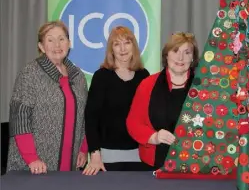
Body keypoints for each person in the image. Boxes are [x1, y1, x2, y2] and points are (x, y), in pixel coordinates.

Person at [7, 20, 88, 174]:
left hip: (69, 165)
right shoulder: (30, 73)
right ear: (41, 46)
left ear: (69, 43)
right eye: (50, 40)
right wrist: (31, 158)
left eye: (61, 39)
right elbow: (20, 119)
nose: (57, 45)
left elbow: (84, 116)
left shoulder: (78, 77)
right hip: (34, 166)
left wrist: (83, 149)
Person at [83, 26, 151, 175]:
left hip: (140, 156)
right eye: (116, 44)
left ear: (133, 46)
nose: (122, 48)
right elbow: (91, 118)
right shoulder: (101, 77)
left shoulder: (144, 76)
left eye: (127, 42)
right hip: (107, 158)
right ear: (111, 50)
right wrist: (94, 154)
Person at [126, 32, 199, 169]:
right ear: (166, 55)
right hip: (154, 164)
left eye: (187, 52)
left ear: (193, 58)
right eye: (175, 51)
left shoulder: (203, 88)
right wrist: (154, 137)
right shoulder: (147, 85)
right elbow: (133, 123)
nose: (180, 57)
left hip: (195, 164)